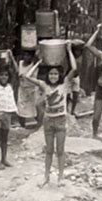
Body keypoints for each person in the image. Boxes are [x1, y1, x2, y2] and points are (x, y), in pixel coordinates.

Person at [21, 42, 77, 186]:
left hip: (60, 121)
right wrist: (38, 62)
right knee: (49, 151)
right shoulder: (44, 85)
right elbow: (27, 76)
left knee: (60, 150)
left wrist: (69, 51)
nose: (53, 76)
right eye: (51, 73)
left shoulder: (64, 84)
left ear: (59, 75)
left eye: (55, 73)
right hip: (48, 121)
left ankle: (60, 177)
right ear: (48, 75)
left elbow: (74, 68)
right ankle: (46, 177)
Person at [0, 67, 18, 170]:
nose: (4, 77)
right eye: (1, 75)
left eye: (6, 75)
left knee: (4, 138)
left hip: (7, 115)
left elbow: (16, 72)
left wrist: (11, 56)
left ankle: (4, 159)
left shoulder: (11, 86)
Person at [17, 49, 39, 128]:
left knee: (34, 109)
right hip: (22, 89)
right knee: (21, 109)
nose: (26, 57)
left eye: (28, 55)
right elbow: (19, 74)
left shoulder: (34, 65)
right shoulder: (20, 63)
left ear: (32, 57)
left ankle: (39, 125)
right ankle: (22, 126)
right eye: (25, 55)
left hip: (32, 90)